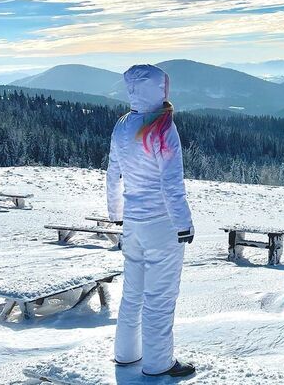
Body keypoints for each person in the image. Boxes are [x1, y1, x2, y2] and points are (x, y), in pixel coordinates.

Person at [106, 64, 195, 377]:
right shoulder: (163, 128)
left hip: (132, 223)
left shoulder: (122, 126)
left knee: (133, 293)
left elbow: (113, 176)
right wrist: (183, 224)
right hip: (162, 225)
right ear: (159, 89)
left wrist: (116, 215)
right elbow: (172, 183)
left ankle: (126, 355)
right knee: (160, 297)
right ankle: (159, 363)